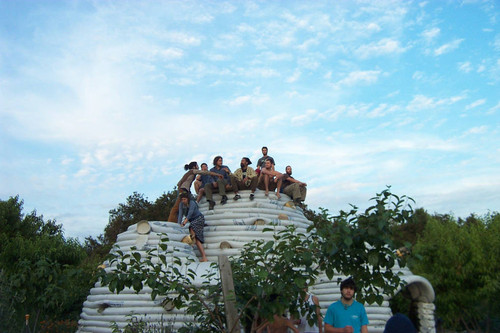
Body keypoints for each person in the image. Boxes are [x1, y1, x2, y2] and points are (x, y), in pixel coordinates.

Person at [177, 192, 208, 262]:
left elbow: (190, 213)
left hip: (198, 219)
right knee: (197, 240)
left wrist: (185, 221)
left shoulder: (192, 203)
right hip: (192, 221)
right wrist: (178, 224)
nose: (183, 201)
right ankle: (204, 256)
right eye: (182, 199)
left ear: (187, 199)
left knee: (191, 228)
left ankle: (192, 241)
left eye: (184, 199)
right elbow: (180, 214)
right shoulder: (181, 205)